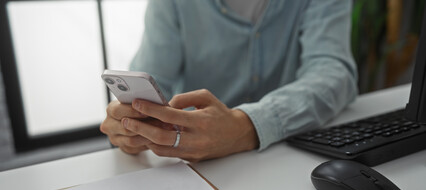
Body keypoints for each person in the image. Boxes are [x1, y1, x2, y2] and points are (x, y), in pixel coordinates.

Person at [100, 0, 358, 162]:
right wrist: (130, 124)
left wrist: (246, 126)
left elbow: (333, 71)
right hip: (192, 166)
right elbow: (153, 80)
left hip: (288, 157)